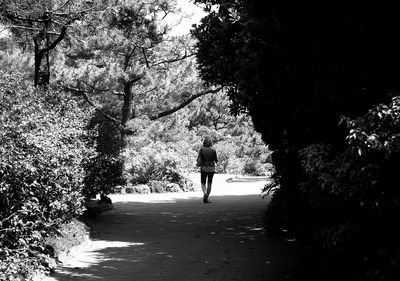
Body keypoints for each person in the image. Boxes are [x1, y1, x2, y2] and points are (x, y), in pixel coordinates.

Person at [197, 137, 218, 203]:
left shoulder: (201, 149)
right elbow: (216, 160)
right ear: (211, 143)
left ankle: (205, 193)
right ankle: (206, 197)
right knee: (209, 182)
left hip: (203, 167)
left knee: (203, 182)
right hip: (211, 168)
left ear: (204, 142)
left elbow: (198, 159)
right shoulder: (213, 150)